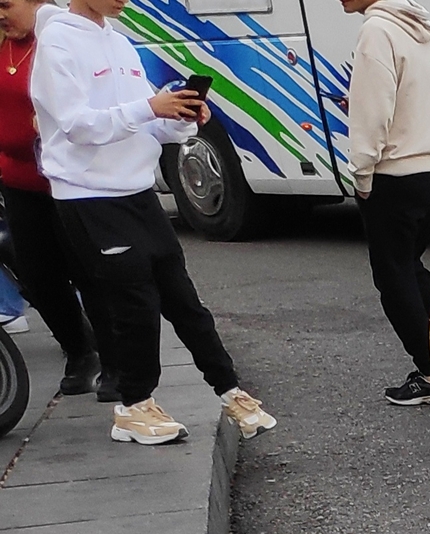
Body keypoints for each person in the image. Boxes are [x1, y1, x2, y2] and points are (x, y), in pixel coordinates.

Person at [29, 0, 275, 445]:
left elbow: (143, 121)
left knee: (184, 300)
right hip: (89, 196)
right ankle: (133, 406)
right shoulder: (57, 42)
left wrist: (179, 118)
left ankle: (230, 390)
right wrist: (150, 107)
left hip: (137, 191)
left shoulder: (120, 42)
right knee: (134, 305)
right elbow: (77, 125)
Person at [342, 0, 430, 405]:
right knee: (409, 264)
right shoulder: (425, 29)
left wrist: (362, 172)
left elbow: (373, 113)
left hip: (394, 172)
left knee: (392, 277)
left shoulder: (377, 30)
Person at [0, 0, 101, 397]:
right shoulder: (4, 43)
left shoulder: (61, 39)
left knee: (86, 269)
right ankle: (79, 350)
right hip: (18, 179)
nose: (1, 15)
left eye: (6, 5)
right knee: (38, 276)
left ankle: (113, 358)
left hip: (68, 181)